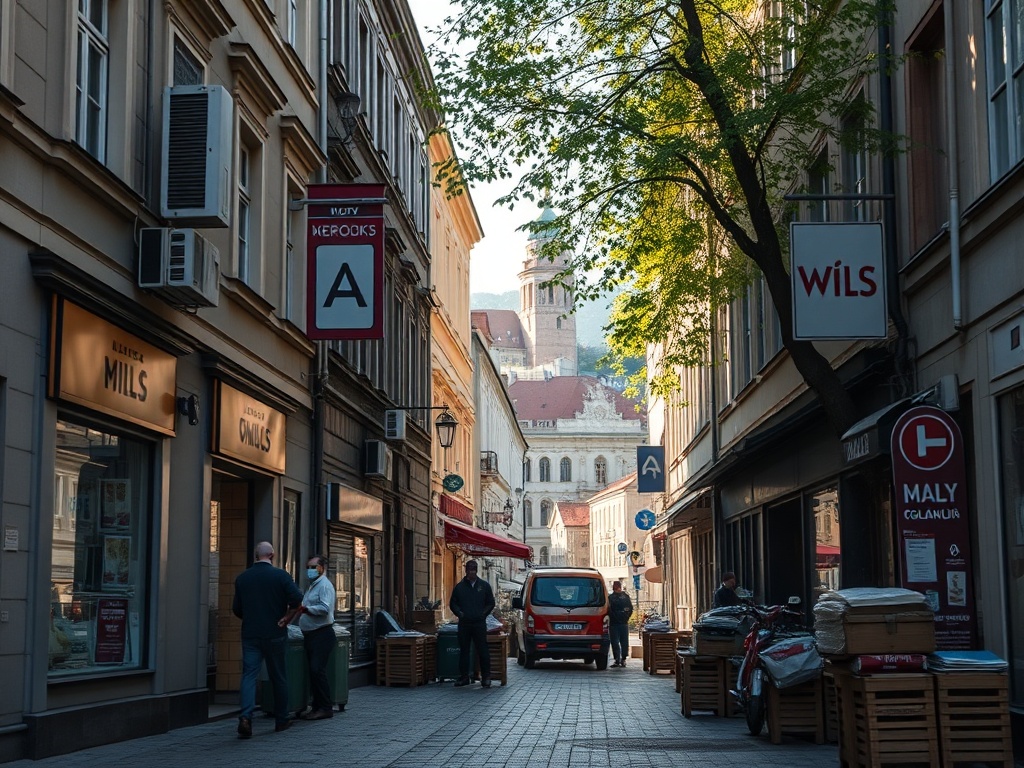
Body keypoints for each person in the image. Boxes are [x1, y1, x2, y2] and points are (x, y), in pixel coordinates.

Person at [232, 541, 303, 739]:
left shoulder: (243, 578)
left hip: (250, 634)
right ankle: (281, 720)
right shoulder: (280, 576)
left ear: (256, 556)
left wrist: (252, 617)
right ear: (272, 555)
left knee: (248, 675)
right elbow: (297, 599)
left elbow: (236, 609)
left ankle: (245, 717)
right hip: (275, 633)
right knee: (278, 676)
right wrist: (287, 618)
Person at [296, 554, 337, 721]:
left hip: (322, 633)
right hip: (312, 634)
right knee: (314, 672)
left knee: (316, 670)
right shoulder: (313, 585)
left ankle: (325, 707)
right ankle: (317, 707)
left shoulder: (324, 586)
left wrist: (307, 610)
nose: (310, 570)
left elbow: (324, 608)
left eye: (314, 567)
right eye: (308, 567)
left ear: (322, 568)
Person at [449, 559, 495, 687]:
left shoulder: (484, 586)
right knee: (464, 650)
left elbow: (491, 602)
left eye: (474, 569)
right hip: (465, 623)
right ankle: (464, 677)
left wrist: (483, 614)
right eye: (469, 569)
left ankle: (486, 677)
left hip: (479, 623)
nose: (472, 572)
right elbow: (453, 603)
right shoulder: (459, 587)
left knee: (482, 650)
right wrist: (460, 613)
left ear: (477, 570)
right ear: (466, 570)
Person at [608, 580, 633, 667]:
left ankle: (623, 659)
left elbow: (630, 608)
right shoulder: (611, 598)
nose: (618, 588)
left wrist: (626, 617)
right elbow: (609, 610)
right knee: (615, 642)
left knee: (623, 642)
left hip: (621, 622)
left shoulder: (624, 596)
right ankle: (618, 659)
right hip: (616, 623)